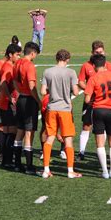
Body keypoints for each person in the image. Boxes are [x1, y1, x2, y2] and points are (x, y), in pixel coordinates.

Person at [41, 49, 82, 179]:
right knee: (68, 140)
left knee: (50, 138)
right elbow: (76, 93)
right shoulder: (71, 72)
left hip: (51, 108)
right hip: (65, 109)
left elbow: (43, 92)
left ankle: (46, 169)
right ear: (67, 59)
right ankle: (70, 171)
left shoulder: (47, 72)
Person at [77, 40, 111, 160]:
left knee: (104, 127)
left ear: (104, 51)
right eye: (96, 52)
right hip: (90, 101)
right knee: (86, 126)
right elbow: (80, 82)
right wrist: (90, 89)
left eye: (101, 51)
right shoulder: (86, 65)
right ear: (92, 52)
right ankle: (81, 152)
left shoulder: (109, 66)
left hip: (105, 102)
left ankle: (103, 152)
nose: (99, 53)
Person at [13, 42, 41, 174]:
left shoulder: (17, 63)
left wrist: (20, 91)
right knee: (29, 133)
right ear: (32, 52)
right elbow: (31, 86)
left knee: (20, 131)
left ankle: (17, 164)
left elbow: (14, 82)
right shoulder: (29, 65)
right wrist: (38, 100)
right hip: (29, 101)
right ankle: (29, 166)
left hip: (20, 99)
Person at [0, 44, 22, 167]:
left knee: (8, 130)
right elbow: (2, 83)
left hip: (5, 103)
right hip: (8, 104)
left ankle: (6, 159)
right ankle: (7, 160)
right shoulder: (8, 67)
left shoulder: (9, 65)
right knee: (11, 130)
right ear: (10, 55)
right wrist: (10, 97)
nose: (19, 56)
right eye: (17, 54)